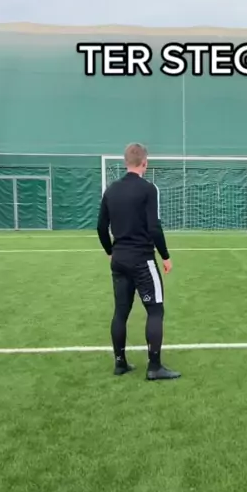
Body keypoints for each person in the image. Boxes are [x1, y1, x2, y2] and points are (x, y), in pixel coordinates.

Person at [97, 143, 181, 381]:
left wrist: (110, 250)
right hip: (142, 260)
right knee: (155, 310)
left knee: (121, 312)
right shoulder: (148, 189)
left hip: (119, 260)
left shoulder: (111, 190)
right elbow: (154, 227)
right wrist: (165, 256)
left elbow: (101, 227)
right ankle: (154, 367)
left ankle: (120, 363)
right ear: (145, 162)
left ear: (126, 162)